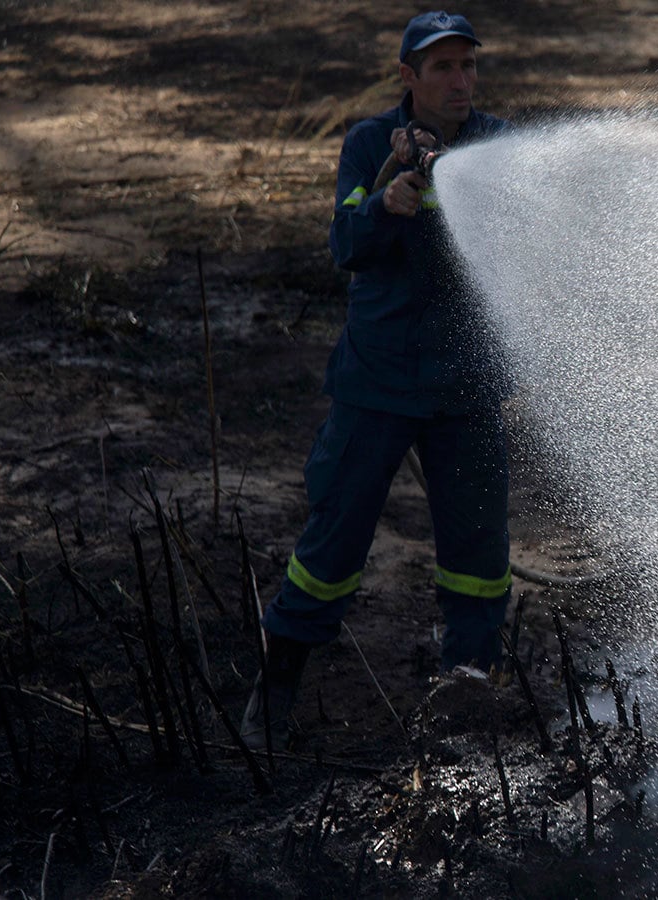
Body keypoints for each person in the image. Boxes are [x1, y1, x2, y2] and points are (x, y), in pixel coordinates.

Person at [241, 11, 512, 752]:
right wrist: (390, 194)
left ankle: (469, 691)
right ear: (409, 78)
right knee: (335, 538)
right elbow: (344, 245)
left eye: (468, 66)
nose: (460, 81)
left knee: (480, 554)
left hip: (468, 384)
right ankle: (278, 686)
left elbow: (518, 247)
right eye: (443, 68)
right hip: (380, 378)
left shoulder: (495, 143)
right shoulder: (369, 144)